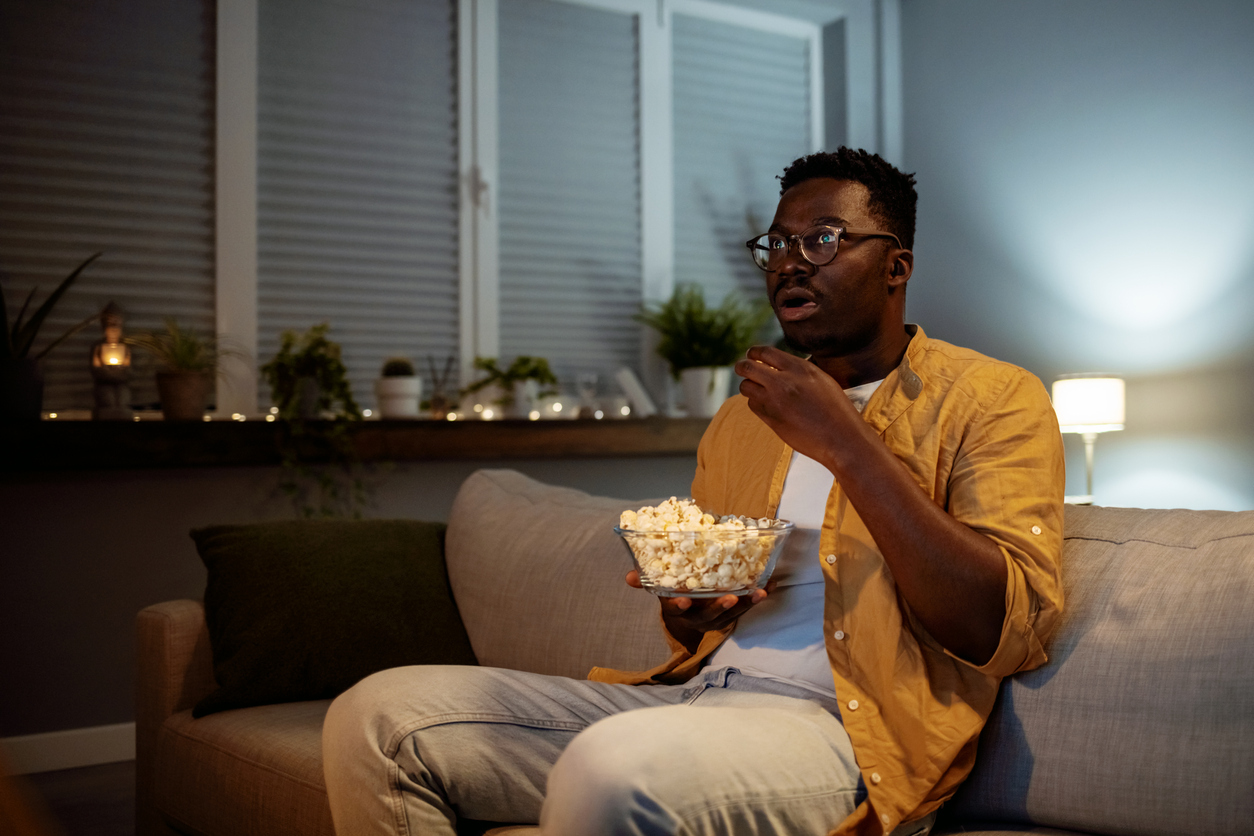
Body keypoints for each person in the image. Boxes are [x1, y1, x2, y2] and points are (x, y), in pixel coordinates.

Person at [322, 148, 1065, 836]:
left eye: (823, 239)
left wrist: (845, 440)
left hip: (843, 729)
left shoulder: (992, 397)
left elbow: (997, 627)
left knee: (612, 768)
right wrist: (693, 609)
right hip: (695, 695)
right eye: (776, 245)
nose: (788, 265)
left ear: (895, 265)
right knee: (378, 717)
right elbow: (705, 614)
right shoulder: (744, 419)